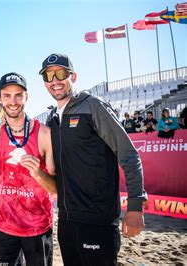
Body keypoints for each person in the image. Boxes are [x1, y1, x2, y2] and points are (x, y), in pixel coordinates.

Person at [40, 53, 147, 265]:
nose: (55, 81)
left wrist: (135, 206)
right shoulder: (52, 119)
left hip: (97, 221)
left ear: (74, 76)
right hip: (67, 220)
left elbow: (129, 155)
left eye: (61, 73)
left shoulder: (93, 106)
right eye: (48, 76)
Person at [0, 72, 56, 265]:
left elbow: (56, 188)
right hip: (3, 226)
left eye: (18, 95)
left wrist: (38, 174)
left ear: (26, 96)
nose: (13, 101)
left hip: (38, 228)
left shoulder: (44, 134)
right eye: (7, 95)